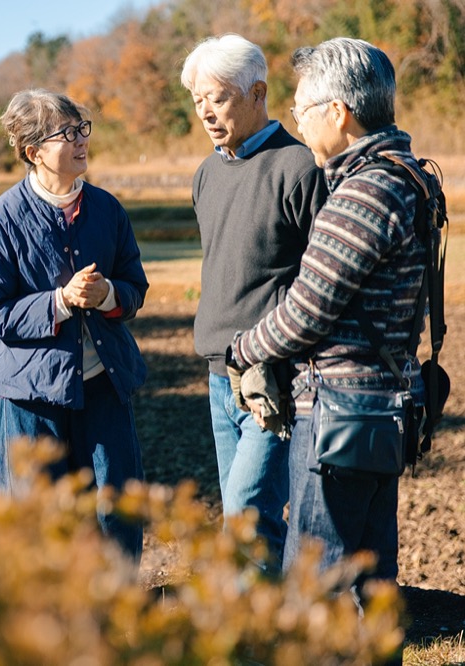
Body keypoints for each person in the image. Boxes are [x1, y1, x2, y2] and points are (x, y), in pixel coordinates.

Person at [230, 38, 427, 589]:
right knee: (369, 577)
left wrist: (241, 350)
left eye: (302, 112)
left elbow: (305, 313)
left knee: (315, 581)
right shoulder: (408, 176)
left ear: (337, 112)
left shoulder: (363, 192)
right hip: (384, 404)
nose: (298, 123)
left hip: (341, 410)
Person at [0, 89, 149, 558]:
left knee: (118, 511)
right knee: (38, 520)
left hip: (104, 383)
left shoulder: (107, 209)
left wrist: (109, 294)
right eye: (66, 134)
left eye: (82, 130)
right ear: (33, 152)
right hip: (32, 394)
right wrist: (60, 303)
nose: (80, 141)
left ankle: (119, 618)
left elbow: (134, 287)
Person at [181, 34, 328, 570]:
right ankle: (274, 621)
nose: (205, 112)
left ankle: (255, 642)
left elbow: (323, 279)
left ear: (258, 92)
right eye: (198, 101)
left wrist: (285, 357)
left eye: (216, 98)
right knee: (244, 515)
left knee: (247, 513)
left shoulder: (300, 167)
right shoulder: (206, 174)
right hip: (218, 376)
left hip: (274, 377)